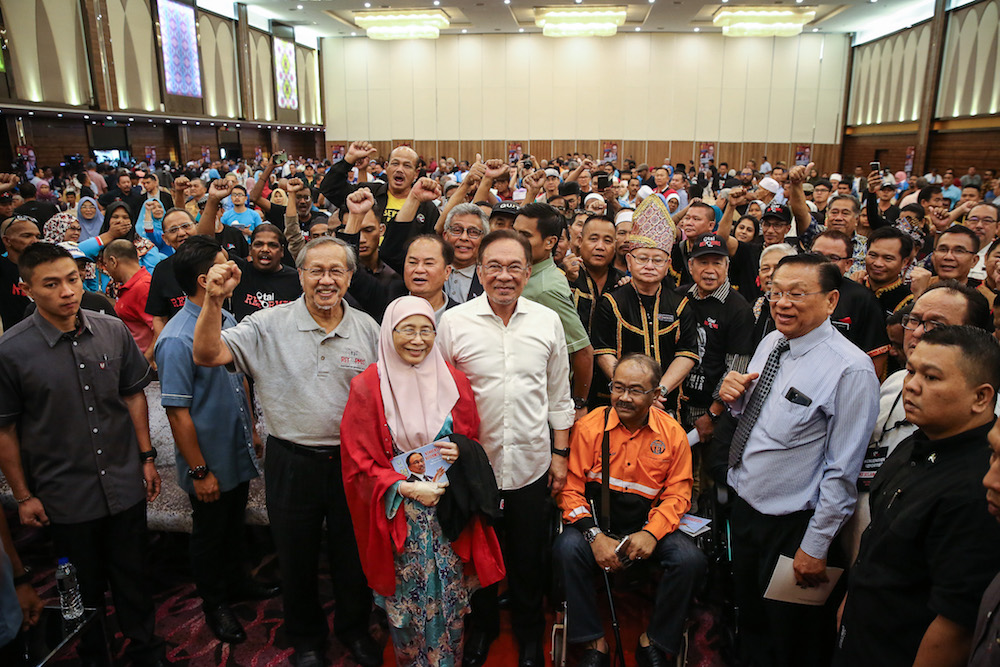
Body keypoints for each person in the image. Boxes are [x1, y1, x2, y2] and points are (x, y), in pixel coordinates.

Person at [192, 236, 382, 667]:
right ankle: (307, 639)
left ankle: (353, 629)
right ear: (300, 275)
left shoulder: (368, 328)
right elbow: (206, 353)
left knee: (353, 556)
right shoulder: (267, 325)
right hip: (290, 461)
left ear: (350, 276)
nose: (326, 280)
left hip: (353, 464)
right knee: (294, 557)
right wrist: (213, 300)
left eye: (336, 270)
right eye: (316, 270)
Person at [0, 242, 166, 666]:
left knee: (134, 578)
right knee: (81, 588)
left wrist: (146, 457)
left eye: (72, 279)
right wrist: (23, 496)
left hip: (124, 479)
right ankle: (94, 654)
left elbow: (133, 396)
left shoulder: (110, 329)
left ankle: (146, 650)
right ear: (27, 289)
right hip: (64, 492)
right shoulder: (11, 351)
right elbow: (5, 431)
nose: (67, 291)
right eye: (51, 284)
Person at [719, 253, 880, 667]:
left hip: (793, 528)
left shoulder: (851, 370)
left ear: (830, 301)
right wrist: (734, 398)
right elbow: (755, 420)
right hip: (747, 509)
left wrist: (816, 544)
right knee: (749, 621)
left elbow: (843, 470)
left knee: (790, 638)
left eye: (796, 293)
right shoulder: (772, 341)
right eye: (775, 292)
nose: (782, 303)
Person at [341, 296, 505, 667]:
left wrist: (459, 450)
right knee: (407, 608)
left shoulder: (454, 379)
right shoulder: (368, 386)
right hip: (400, 516)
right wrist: (404, 487)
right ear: (389, 333)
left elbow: (470, 439)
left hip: (448, 516)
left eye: (426, 330)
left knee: (449, 603)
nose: (418, 340)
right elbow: (357, 461)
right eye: (407, 330)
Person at [437, 230, 574, 667]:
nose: (504, 276)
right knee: (477, 556)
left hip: (531, 463)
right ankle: (484, 629)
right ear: (479, 271)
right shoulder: (455, 323)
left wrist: (560, 453)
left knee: (527, 557)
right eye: (494, 266)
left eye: (514, 267)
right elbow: (438, 396)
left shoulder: (546, 320)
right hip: (474, 469)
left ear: (527, 272)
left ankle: (530, 634)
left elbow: (559, 395)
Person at [835, 326, 1000, 667]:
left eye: (932, 377)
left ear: (981, 397)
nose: (911, 385)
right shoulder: (918, 441)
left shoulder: (981, 487)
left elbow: (956, 624)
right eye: (911, 370)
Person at [154, 236, 274, 645]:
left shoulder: (221, 318)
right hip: (207, 458)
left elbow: (237, 379)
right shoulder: (176, 338)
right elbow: (177, 411)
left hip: (235, 446)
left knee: (233, 526)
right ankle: (215, 604)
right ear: (206, 280)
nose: (235, 269)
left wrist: (253, 428)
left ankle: (239, 582)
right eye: (226, 265)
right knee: (209, 534)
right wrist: (199, 469)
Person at [555, 353, 705, 667]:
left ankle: (653, 640)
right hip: (597, 523)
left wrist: (651, 533)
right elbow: (570, 489)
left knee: (689, 559)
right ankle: (594, 643)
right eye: (617, 387)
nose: (624, 397)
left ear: (655, 395)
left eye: (636, 390)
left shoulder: (672, 434)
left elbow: (679, 494)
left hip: (648, 527)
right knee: (567, 548)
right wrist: (594, 536)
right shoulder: (589, 427)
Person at [841, 280, 992, 561]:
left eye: (937, 325)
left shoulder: (989, 424)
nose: (920, 333)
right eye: (915, 320)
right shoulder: (894, 383)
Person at [591, 194, 699, 412]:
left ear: (668, 263)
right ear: (629, 261)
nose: (650, 265)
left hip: (665, 404)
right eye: (642, 258)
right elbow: (603, 351)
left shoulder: (680, 305)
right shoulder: (611, 302)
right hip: (621, 402)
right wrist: (632, 391)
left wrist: (659, 391)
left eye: (657, 260)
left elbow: (687, 354)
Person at [677, 234, 754, 490]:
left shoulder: (737, 308)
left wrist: (712, 414)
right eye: (702, 262)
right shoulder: (678, 297)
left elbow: (737, 368)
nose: (709, 270)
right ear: (690, 266)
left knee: (703, 484)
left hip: (710, 413)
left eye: (717, 263)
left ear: (727, 266)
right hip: (675, 406)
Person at [514, 202, 595, 419]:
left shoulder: (545, 288)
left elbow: (583, 350)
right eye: (514, 232)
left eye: (525, 235)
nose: (516, 240)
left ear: (550, 242)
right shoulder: (531, 274)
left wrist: (578, 404)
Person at [323, 142, 440, 273]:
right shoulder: (369, 193)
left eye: (407, 166)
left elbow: (432, 246)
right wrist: (349, 158)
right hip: (360, 269)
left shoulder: (427, 208)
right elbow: (330, 189)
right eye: (395, 163)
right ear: (387, 167)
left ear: (416, 173)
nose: (399, 169)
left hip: (402, 273)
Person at [101, 239, 155, 359]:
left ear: (113, 261)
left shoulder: (143, 287)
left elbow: (160, 329)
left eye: (106, 264)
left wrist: (147, 362)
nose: (107, 270)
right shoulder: (128, 287)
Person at [442, 203, 488, 304]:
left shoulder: (490, 278)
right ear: (445, 236)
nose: (464, 237)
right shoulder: (430, 270)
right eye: (457, 230)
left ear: (484, 240)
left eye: (473, 232)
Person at [0, 216, 40, 331]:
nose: (35, 241)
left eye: (37, 236)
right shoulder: (3, 268)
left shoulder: (46, 267)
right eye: (27, 236)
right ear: (7, 240)